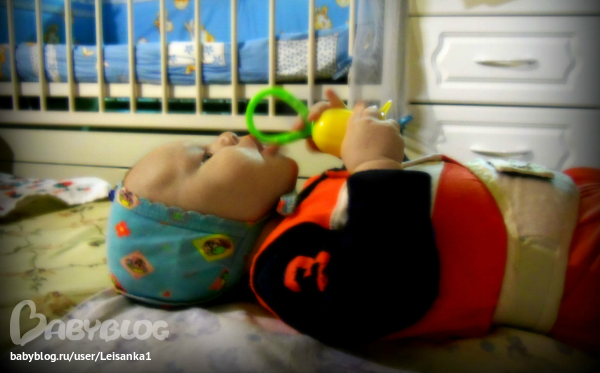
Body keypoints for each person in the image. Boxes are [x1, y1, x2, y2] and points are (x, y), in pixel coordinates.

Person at [106, 89, 600, 354]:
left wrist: (350, 149)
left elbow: (380, 213)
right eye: (204, 156)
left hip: (563, 201)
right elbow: (376, 288)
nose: (225, 136)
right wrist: (373, 166)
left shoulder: (296, 217)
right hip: (573, 267)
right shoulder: (280, 272)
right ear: (212, 238)